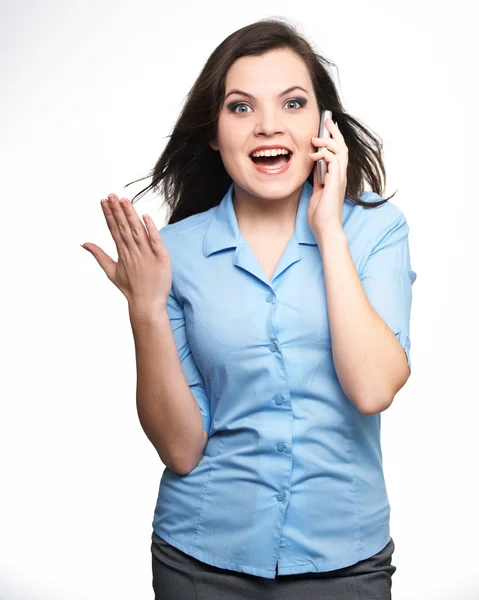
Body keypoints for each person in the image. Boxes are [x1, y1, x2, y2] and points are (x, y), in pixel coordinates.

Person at [82, 17, 416, 600]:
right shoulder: (175, 252)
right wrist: (146, 310)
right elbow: (181, 448)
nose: (268, 126)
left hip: (345, 563)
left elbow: (373, 389)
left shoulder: (375, 231)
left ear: (323, 124)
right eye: (240, 108)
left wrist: (329, 231)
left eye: (293, 103)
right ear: (213, 132)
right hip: (200, 560)